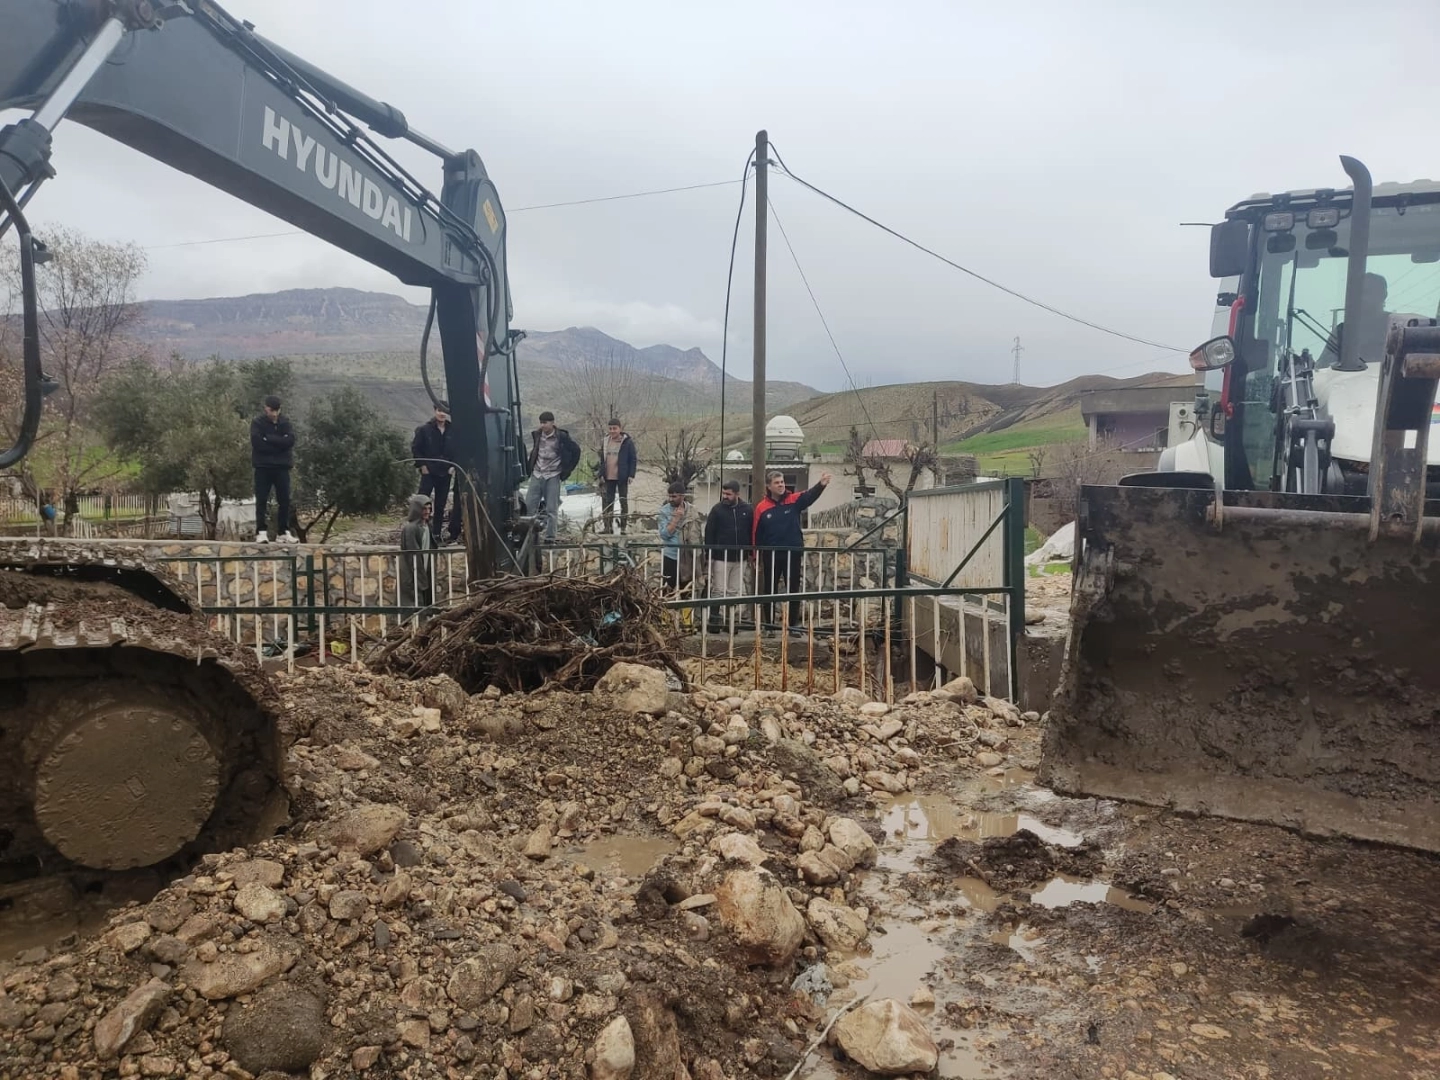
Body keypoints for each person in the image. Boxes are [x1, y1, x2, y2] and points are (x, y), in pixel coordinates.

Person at [752, 470, 832, 629]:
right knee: (770, 589)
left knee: (793, 589)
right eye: (777, 483)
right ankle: (769, 626)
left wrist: (821, 484)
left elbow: (809, 496)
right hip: (771, 555)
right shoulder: (762, 507)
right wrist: (755, 556)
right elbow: (756, 533)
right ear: (769, 486)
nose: (781, 485)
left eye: (782, 482)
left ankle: (792, 625)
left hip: (792, 553)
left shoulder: (793, 500)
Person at [703, 479, 753, 631]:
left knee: (733, 591)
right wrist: (709, 555)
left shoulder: (747, 510)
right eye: (723, 493)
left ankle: (730, 622)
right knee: (718, 589)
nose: (725, 496)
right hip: (721, 557)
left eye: (728, 494)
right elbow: (709, 533)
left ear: (737, 494)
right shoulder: (717, 510)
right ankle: (714, 622)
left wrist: (750, 552)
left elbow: (750, 531)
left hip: (740, 558)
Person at [525, 411, 581, 543]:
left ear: (552, 423)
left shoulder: (561, 437)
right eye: (541, 423)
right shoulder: (537, 435)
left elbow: (576, 451)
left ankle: (550, 538)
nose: (543, 425)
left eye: (545, 423)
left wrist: (567, 469)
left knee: (551, 508)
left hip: (553, 475)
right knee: (529, 507)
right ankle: (530, 537)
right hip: (537, 473)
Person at [411, 401, 461, 545]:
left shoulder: (453, 431)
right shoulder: (424, 429)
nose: (442, 413)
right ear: (435, 411)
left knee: (440, 505)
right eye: (439, 410)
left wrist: (453, 466)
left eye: (444, 411)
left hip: (445, 472)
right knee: (421, 502)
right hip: (429, 472)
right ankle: (417, 532)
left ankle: (436, 535)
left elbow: (458, 450)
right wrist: (422, 465)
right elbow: (416, 448)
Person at [251, 395, 297, 544]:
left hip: (282, 467)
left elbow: (290, 441)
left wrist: (269, 438)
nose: (275, 414)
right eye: (272, 411)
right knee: (262, 499)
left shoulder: (285, 422)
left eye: (277, 411)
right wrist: (280, 444)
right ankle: (261, 532)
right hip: (263, 466)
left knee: (284, 500)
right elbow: (258, 444)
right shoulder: (257, 423)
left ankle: (283, 532)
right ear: (266, 409)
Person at [597, 418, 638, 535]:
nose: (612, 431)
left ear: (620, 429)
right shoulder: (606, 441)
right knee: (608, 502)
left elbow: (633, 459)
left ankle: (623, 527)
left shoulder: (627, 442)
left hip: (622, 477)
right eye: (610, 428)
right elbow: (602, 459)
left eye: (614, 428)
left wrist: (631, 475)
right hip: (608, 477)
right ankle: (608, 527)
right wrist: (601, 474)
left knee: (623, 501)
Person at [398, 493, 433, 616]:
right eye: (424, 508)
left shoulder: (427, 527)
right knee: (413, 604)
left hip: (423, 570)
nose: (427, 511)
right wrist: (420, 576)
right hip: (412, 573)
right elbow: (412, 555)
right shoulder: (410, 529)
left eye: (429, 508)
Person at [657, 481, 688, 593]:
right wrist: (675, 519)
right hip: (670, 556)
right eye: (669, 496)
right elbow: (664, 534)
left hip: (687, 557)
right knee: (667, 590)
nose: (671, 499)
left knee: (687, 591)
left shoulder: (692, 511)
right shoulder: (664, 511)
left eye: (674, 496)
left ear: (682, 496)